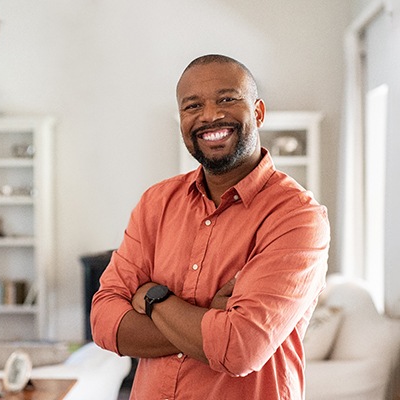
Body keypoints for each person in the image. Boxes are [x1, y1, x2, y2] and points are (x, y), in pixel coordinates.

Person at [91, 54, 330, 399]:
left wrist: (154, 299)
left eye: (227, 99)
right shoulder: (156, 203)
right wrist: (209, 319)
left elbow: (240, 348)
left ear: (258, 112)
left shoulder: (296, 217)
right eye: (192, 106)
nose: (210, 115)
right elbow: (103, 322)